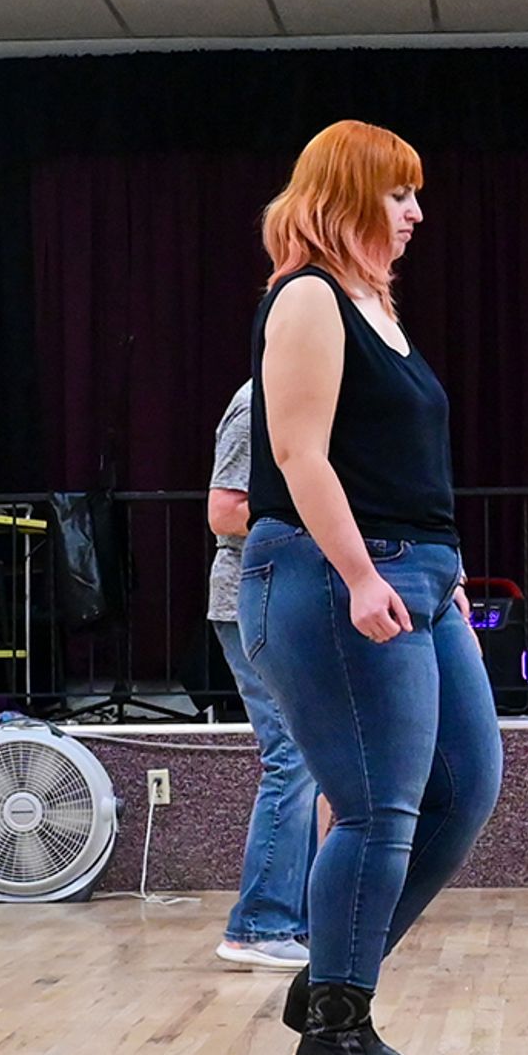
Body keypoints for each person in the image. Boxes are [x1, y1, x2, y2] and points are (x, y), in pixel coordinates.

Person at [241, 121, 501, 1055]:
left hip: (419, 574)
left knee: (465, 786)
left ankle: (330, 981)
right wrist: (358, 574)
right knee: (378, 807)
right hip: (332, 570)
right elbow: (301, 454)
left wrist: (449, 575)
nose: (416, 214)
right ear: (350, 195)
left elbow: (403, 463)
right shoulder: (306, 297)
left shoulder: (377, 307)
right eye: (400, 195)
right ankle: (338, 1031)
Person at [204, 379, 316, 972]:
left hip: (283, 599)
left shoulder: (299, 398)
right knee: (293, 757)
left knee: (310, 759)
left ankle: (287, 923)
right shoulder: (256, 402)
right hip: (250, 599)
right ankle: (259, 925)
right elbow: (223, 511)